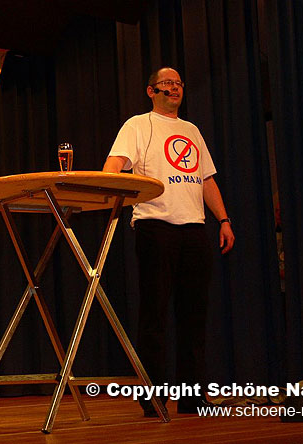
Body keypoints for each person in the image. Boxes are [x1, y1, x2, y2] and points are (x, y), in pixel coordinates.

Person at [102, 67, 235, 415]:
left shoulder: (192, 131)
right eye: (167, 83)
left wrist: (223, 219)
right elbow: (114, 165)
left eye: (178, 84)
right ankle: (154, 396)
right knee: (154, 315)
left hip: (194, 229)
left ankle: (192, 396)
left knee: (194, 315)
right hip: (155, 226)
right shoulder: (137, 125)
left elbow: (206, 179)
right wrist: (109, 186)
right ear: (151, 91)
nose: (174, 88)